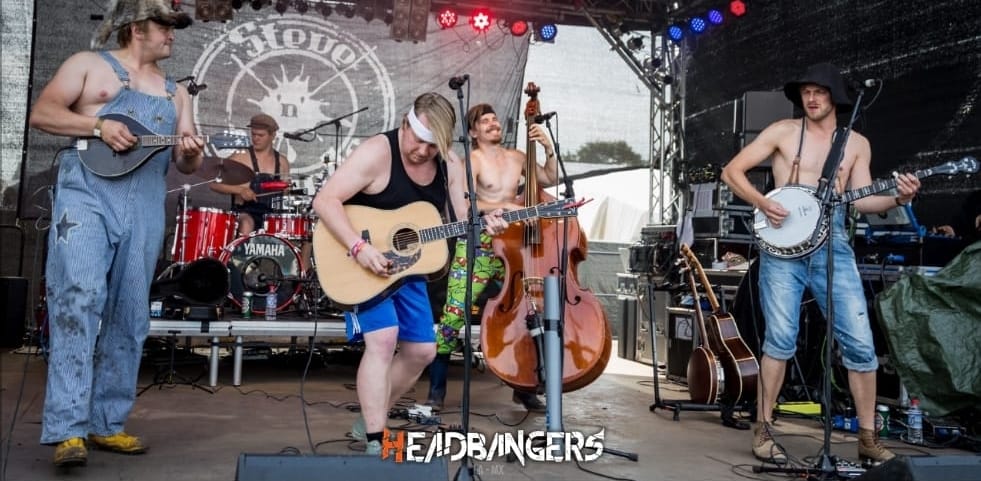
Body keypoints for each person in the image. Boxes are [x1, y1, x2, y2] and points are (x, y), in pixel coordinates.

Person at [27, 0, 202, 468]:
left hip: (144, 202)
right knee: (78, 298)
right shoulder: (88, 66)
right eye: (165, 26)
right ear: (138, 26)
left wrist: (190, 151)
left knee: (129, 311)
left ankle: (107, 422)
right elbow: (42, 113)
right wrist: (98, 125)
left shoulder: (176, 93)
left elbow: (186, 162)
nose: (172, 35)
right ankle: (67, 429)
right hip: (85, 196)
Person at [721, 63, 920, 465]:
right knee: (780, 338)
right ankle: (763, 428)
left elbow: (862, 200)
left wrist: (899, 198)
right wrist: (763, 203)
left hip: (833, 246)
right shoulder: (782, 131)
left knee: (860, 343)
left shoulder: (856, 143)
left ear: (834, 98)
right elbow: (732, 171)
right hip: (781, 250)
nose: (811, 98)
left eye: (820, 92)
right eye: (806, 92)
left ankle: (868, 437)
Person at [310, 93, 508, 455]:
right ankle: (375, 439)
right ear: (405, 125)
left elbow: (463, 219)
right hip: (361, 259)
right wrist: (359, 247)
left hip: (409, 267)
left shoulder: (448, 163)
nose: (421, 150)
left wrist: (487, 225)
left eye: (432, 146)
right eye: (417, 140)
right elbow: (324, 200)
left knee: (421, 351)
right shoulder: (377, 152)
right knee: (384, 340)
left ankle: (371, 418)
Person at [426, 103, 558, 412]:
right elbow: (465, 205)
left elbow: (548, 179)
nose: (492, 123)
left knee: (526, 313)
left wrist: (548, 148)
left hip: (515, 246)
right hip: (480, 242)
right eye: (484, 121)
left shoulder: (518, 157)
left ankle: (524, 388)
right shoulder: (469, 161)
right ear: (473, 132)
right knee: (453, 315)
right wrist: (500, 209)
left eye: (494, 118)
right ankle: (436, 391)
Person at [210, 113, 291, 237]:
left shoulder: (282, 162)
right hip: (244, 212)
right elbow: (214, 184)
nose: (255, 138)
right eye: (253, 134)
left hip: (272, 215)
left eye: (261, 135)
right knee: (247, 224)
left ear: (272, 136)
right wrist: (240, 190)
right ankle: (239, 256)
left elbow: (286, 194)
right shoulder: (240, 157)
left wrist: (288, 191)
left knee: (303, 231)